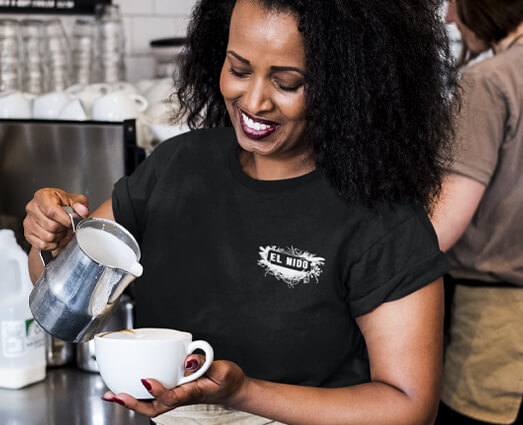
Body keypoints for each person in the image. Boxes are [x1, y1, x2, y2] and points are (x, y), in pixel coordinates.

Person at [23, 0, 457, 424]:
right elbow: (64, 307)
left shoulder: (382, 218)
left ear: (347, 85)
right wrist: (52, 244)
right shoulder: (175, 167)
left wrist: (245, 394)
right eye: (238, 69)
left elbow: (408, 406)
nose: (253, 100)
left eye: (287, 83)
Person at [431, 1, 523, 424]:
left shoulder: (490, 81)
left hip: (495, 338)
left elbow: (440, 229)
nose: (450, 17)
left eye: (453, 2)